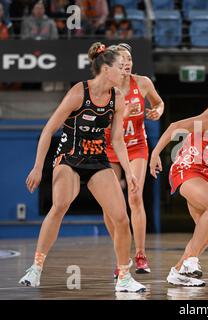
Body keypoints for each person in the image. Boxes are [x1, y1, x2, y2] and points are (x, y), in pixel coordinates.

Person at [18, 42, 146, 293]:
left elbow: (117, 140)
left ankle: (124, 277)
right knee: (61, 205)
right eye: (120, 67)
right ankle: (36, 268)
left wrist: (129, 172)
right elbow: (48, 129)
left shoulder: (117, 98)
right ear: (106, 70)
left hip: (97, 160)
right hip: (69, 157)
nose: (124, 72)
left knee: (121, 218)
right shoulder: (80, 92)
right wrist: (37, 167)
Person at [149, 77, 208, 287]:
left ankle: (178, 271)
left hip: (203, 173)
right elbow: (175, 126)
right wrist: (155, 154)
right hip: (186, 169)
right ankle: (191, 261)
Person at [103, 43, 164, 277]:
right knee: (110, 204)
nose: (127, 63)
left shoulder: (143, 82)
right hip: (110, 148)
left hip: (137, 145)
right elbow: (99, 126)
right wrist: (121, 116)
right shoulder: (105, 90)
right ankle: (122, 255)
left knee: (135, 195)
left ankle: (140, 254)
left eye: (129, 58)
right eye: (122, 60)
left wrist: (158, 110)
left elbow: (159, 103)